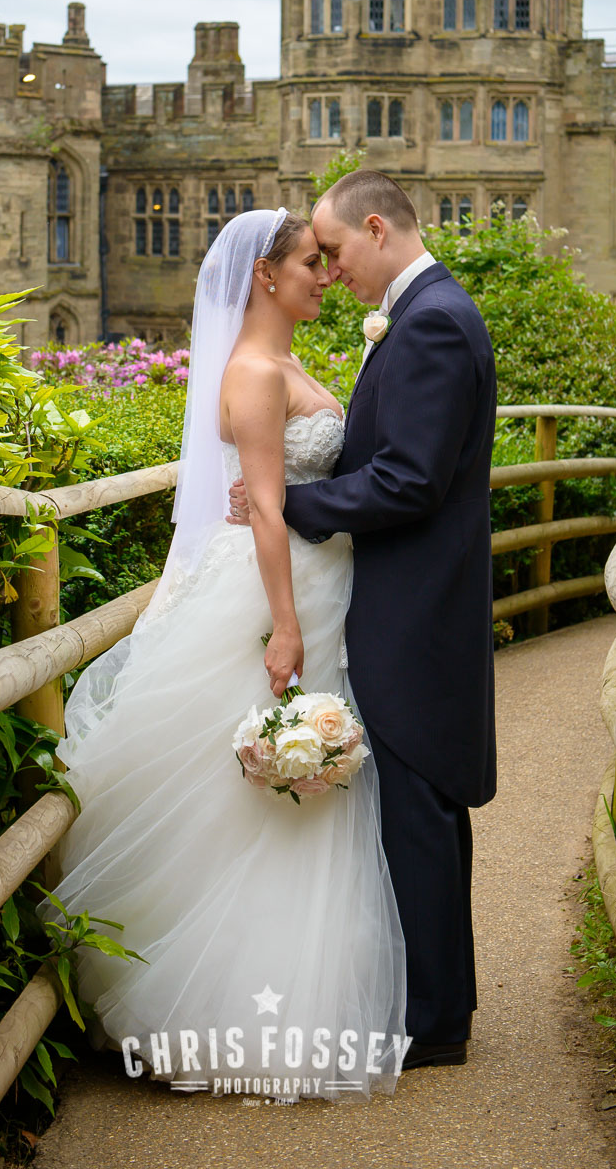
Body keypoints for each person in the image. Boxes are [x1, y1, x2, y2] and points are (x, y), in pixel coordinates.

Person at [42, 207, 407, 1101]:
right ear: (263, 276)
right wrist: (285, 625)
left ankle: (295, 990)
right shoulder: (251, 371)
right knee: (262, 786)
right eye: (310, 264)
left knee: (299, 791)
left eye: (326, 263)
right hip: (276, 593)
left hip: (322, 584)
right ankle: (235, 1005)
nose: (325, 276)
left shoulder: (289, 362)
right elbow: (272, 511)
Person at [230, 170, 497, 1068]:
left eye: (336, 251)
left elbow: (411, 479)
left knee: (419, 809)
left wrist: (290, 506)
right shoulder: (430, 314)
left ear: (376, 227)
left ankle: (432, 1025)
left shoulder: (429, 324)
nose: (333, 272)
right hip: (415, 597)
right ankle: (438, 1007)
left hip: (416, 606)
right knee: (421, 808)